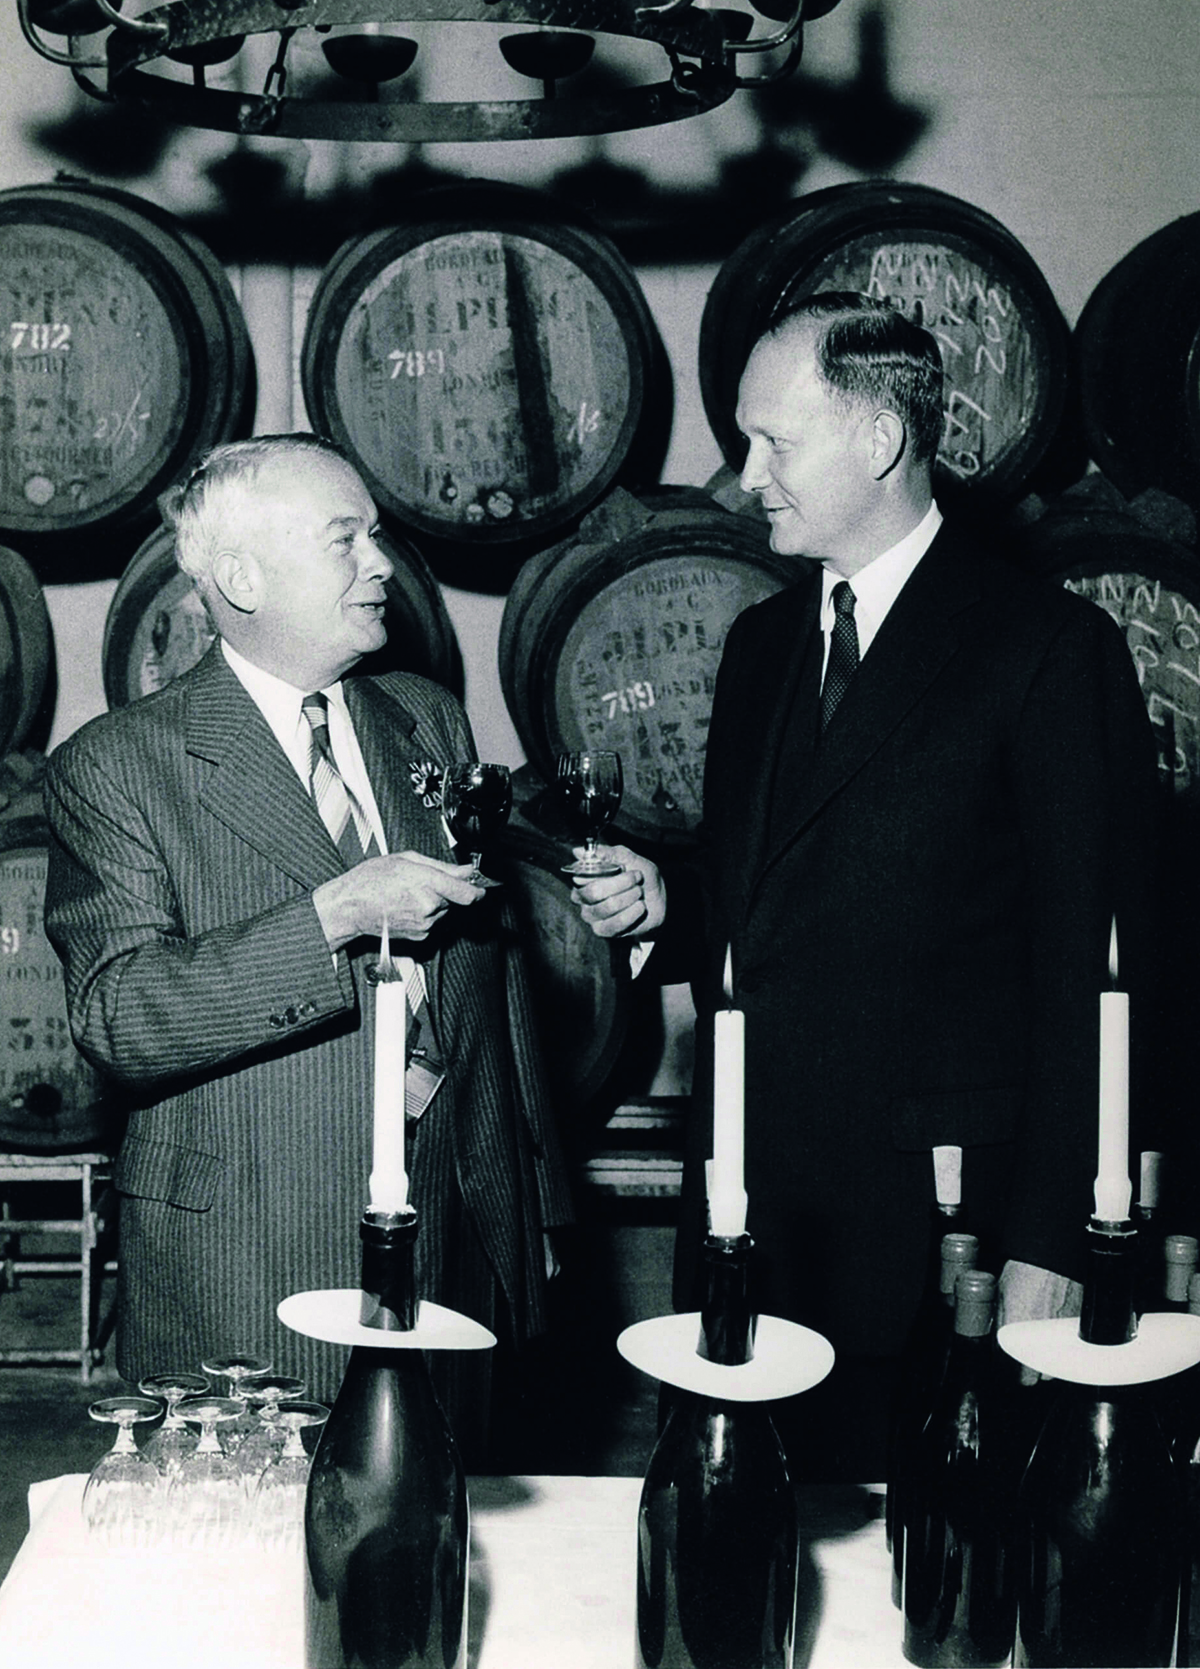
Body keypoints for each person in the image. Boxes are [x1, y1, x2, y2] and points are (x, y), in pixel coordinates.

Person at [572, 293, 1163, 1479]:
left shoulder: (1045, 651)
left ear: (881, 441)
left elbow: (1098, 973)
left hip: (937, 1240)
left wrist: (1049, 1241)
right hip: (750, 1217)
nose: (746, 478)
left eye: (775, 443)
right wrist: (672, 905)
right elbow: (784, 887)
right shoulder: (759, 646)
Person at [43, 434, 572, 1455]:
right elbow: (119, 1013)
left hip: (452, 1240)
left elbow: (491, 976)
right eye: (347, 540)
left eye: (376, 536)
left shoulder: (426, 721)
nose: (383, 565)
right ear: (241, 576)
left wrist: (533, 1203)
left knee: (430, 1563)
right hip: (249, 1261)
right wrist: (328, 918)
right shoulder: (119, 766)